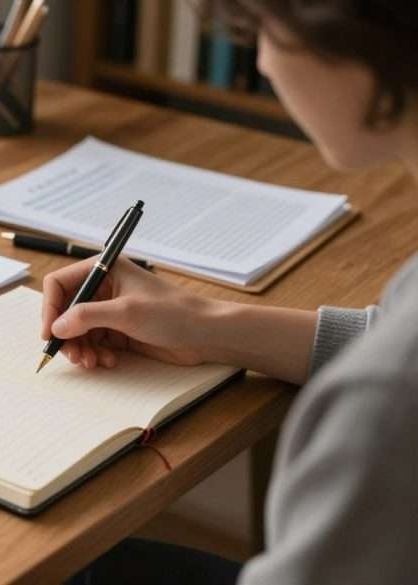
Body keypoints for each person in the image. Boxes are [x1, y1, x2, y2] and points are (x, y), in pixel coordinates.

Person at [55, 1, 418, 583]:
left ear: (358, 36)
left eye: (266, 30)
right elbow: (392, 332)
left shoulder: (386, 404)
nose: (265, 63)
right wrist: (205, 322)